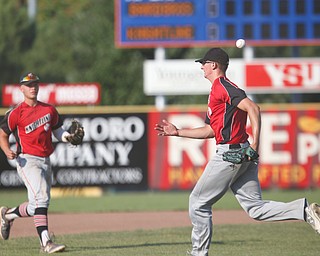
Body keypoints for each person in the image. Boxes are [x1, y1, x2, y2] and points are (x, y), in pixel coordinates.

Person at [154, 48, 320, 256]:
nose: (202, 67)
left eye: (204, 63)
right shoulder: (217, 91)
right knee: (256, 209)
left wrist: (255, 145)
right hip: (240, 152)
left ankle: (199, 253)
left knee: (197, 202)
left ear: (214, 65)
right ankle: (303, 210)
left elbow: (254, 108)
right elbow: (211, 130)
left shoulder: (223, 87)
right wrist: (177, 132)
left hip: (231, 153)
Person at [0, 72, 75, 253]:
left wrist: (69, 137)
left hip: (45, 160)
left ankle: (7, 215)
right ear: (22, 88)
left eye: (35, 84)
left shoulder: (49, 109)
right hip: (26, 160)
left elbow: (58, 131)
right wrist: (6, 150)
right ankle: (45, 243)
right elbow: (3, 134)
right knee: (42, 198)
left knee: (36, 206)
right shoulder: (16, 113)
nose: (32, 87)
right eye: (28, 85)